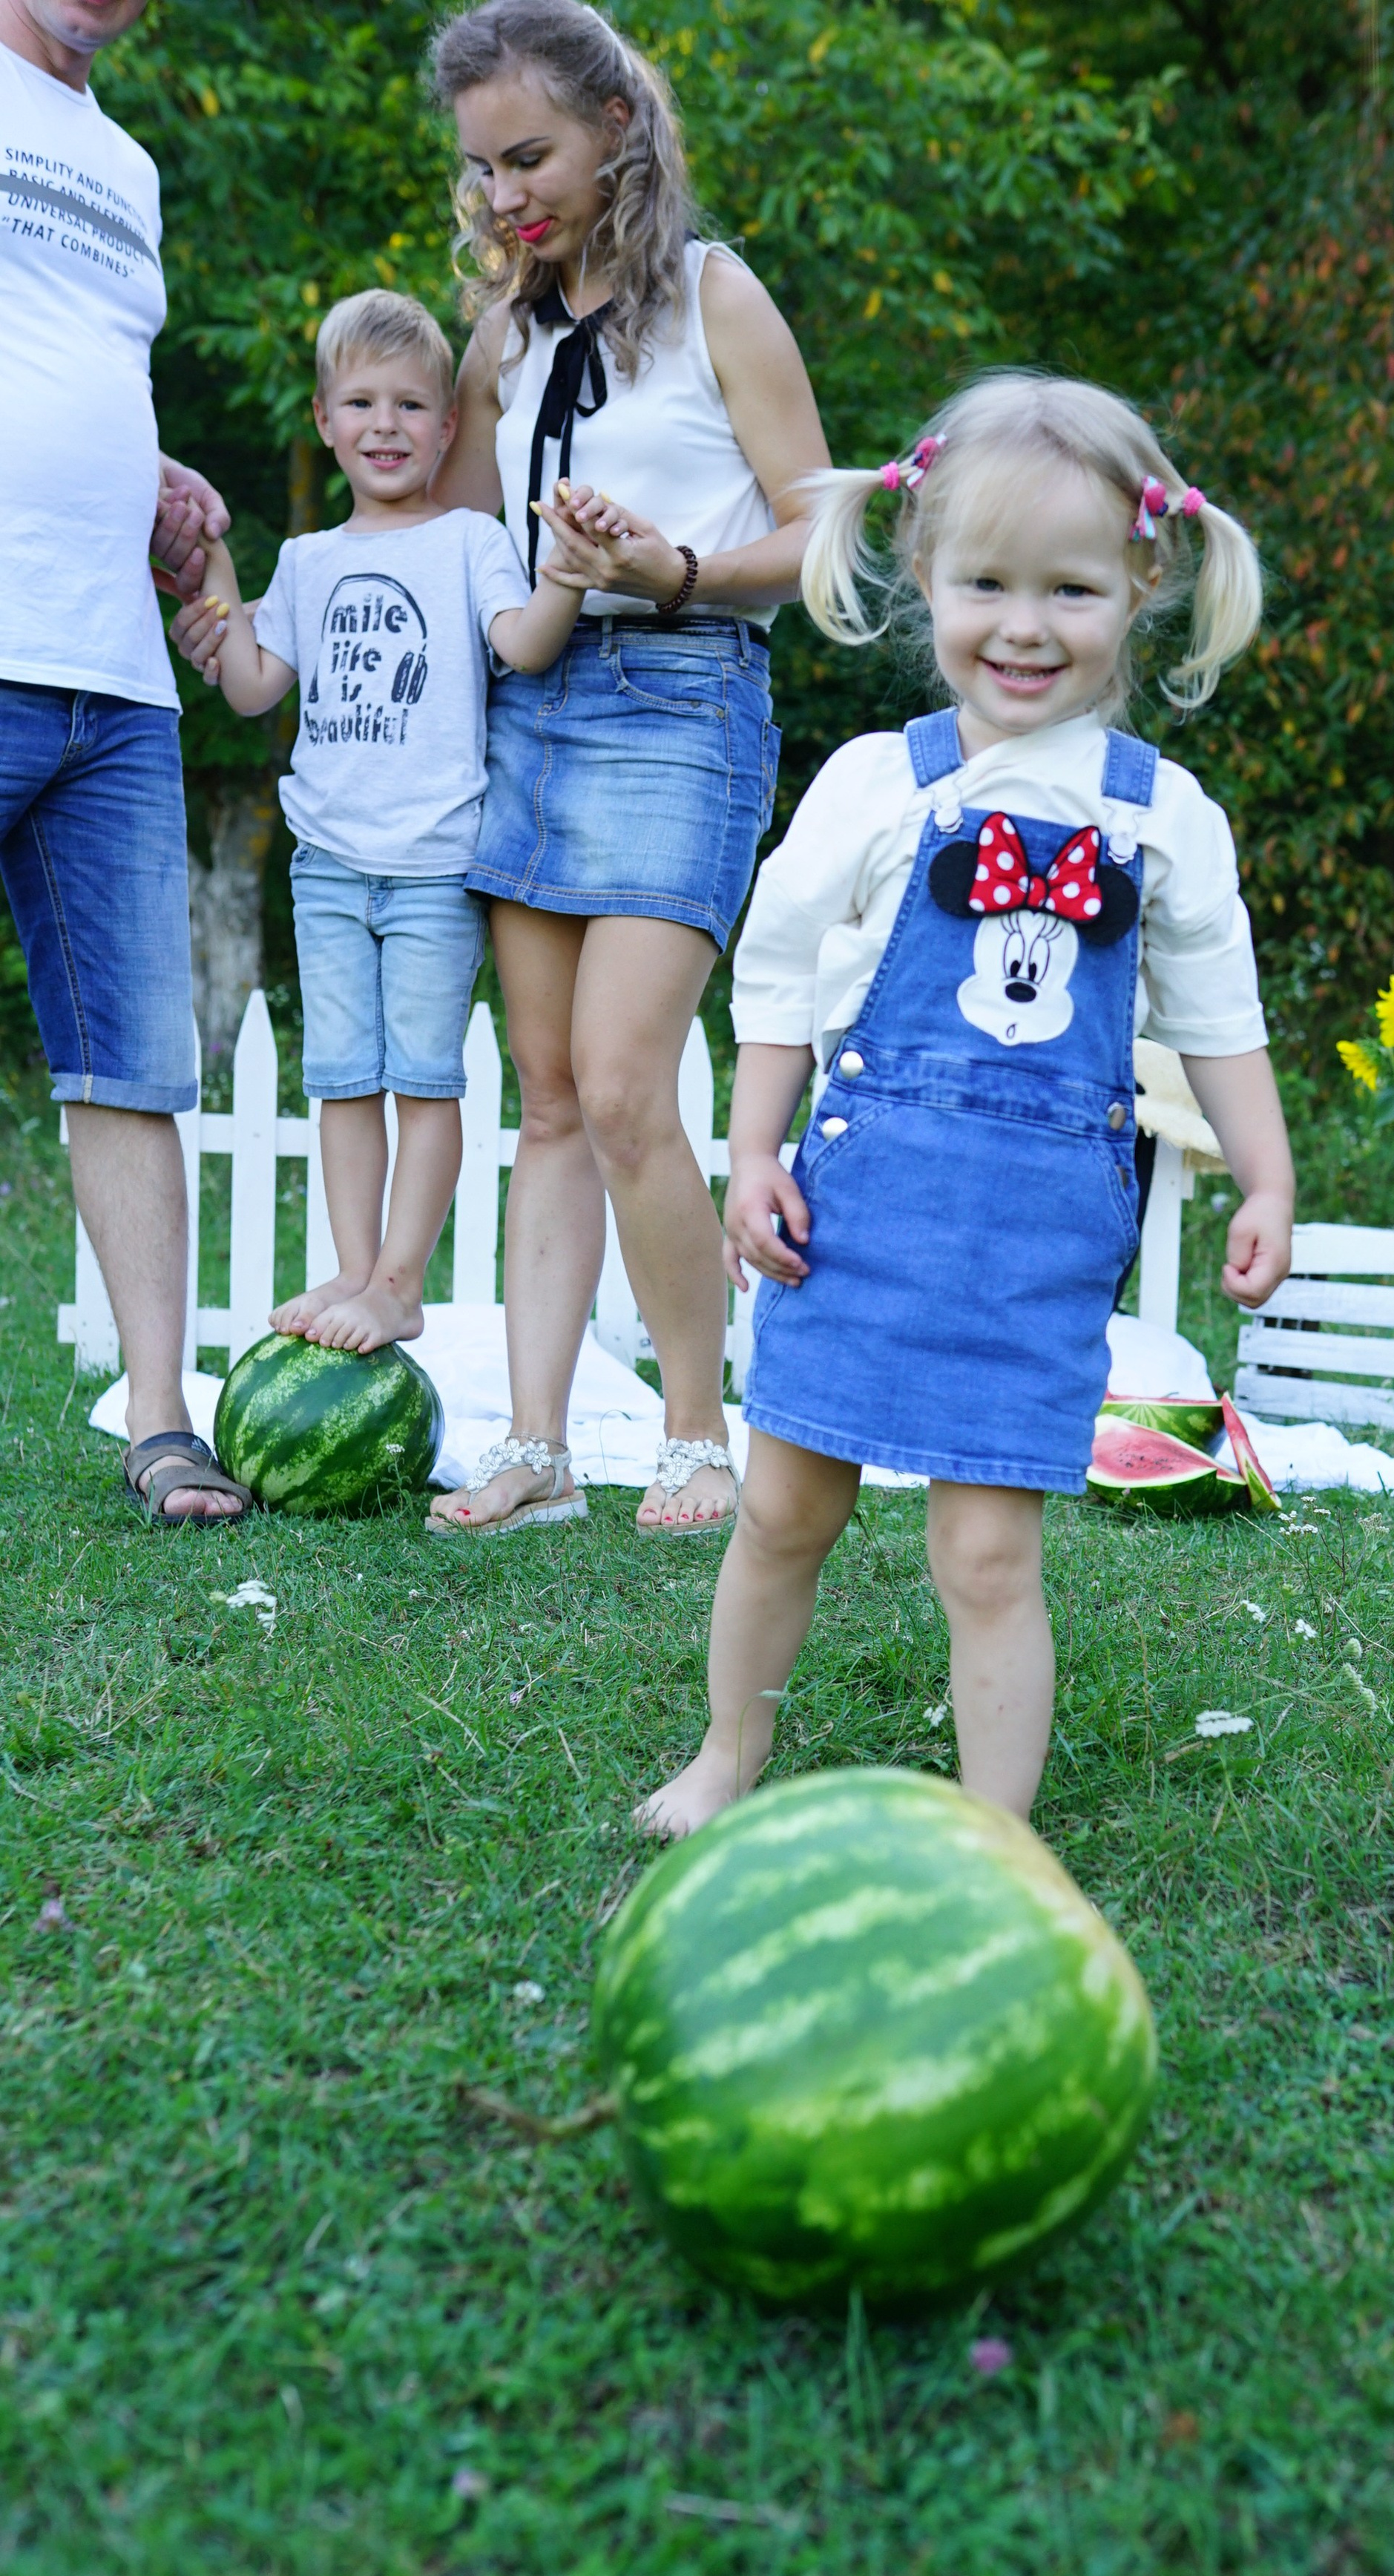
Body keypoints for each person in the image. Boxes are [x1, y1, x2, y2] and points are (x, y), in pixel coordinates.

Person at [639, 375, 1296, 1839]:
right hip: (854, 1218)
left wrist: (1263, 1179)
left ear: (1138, 585)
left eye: (1067, 589)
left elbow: (1216, 1019)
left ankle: (989, 1832)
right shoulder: (876, 783)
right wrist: (750, 1154)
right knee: (781, 1512)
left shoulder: (1160, 814)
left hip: (1027, 1247)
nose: (1021, 626)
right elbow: (782, 978)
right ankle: (724, 1758)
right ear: (921, 575)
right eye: (982, 583)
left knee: (986, 1557)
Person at [423, 0, 830, 1540]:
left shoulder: (718, 296)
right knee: (544, 1097)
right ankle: (533, 1445)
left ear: (613, 127)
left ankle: (693, 1436)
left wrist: (668, 565)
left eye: (527, 154)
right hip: (532, 707)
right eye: (480, 170)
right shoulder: (506, 330)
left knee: (623, 1085)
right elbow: (457, 549)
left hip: (679, 694)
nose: (504, 192)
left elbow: (818, 537)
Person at [171, 290, 593, 1365]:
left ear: (449, 429)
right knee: (342, 1081)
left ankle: (401, 1283)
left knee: (424, 1078)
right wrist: (218, 603)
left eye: (412, 405)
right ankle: (356, 1269)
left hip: (433, 866)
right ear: (323, 418)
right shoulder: (309, 561)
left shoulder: (469, 540)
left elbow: (527, 645)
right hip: (327, 865)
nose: (387, 425)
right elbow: (257, 689)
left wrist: (571, 577)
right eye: (360, 402)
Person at [0, 0, 249, 1522]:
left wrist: (145, 469)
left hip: (117, 673)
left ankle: (162, 1423)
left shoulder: (131, 164)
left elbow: (68, 357)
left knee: (133, 1063)